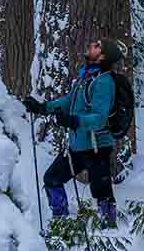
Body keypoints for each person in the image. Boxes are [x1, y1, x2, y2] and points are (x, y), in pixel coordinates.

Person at [22, 37, 126, 228]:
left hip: (97, 147)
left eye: (96, 46)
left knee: (101, 192)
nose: (91, 46)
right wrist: (42, 108)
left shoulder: (104, 82)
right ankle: (62, 223)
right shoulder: (86, 77)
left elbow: (99, 118)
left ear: (102, 57)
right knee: (52, 178)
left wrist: (74, 121)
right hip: (78, 145)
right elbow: (69, 100)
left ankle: (108, 231)